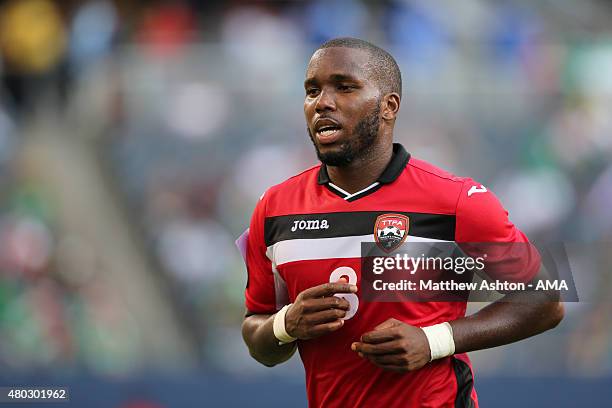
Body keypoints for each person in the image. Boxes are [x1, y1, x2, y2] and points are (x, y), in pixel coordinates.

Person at [239, 37, 564, 407]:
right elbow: (258, 339)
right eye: (312, 90)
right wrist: (285, 325)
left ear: (388, 106)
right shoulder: (275, 207)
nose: (322, 102)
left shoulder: (454, 200)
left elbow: (546, 300)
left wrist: (433, 341)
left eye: (344, 87)